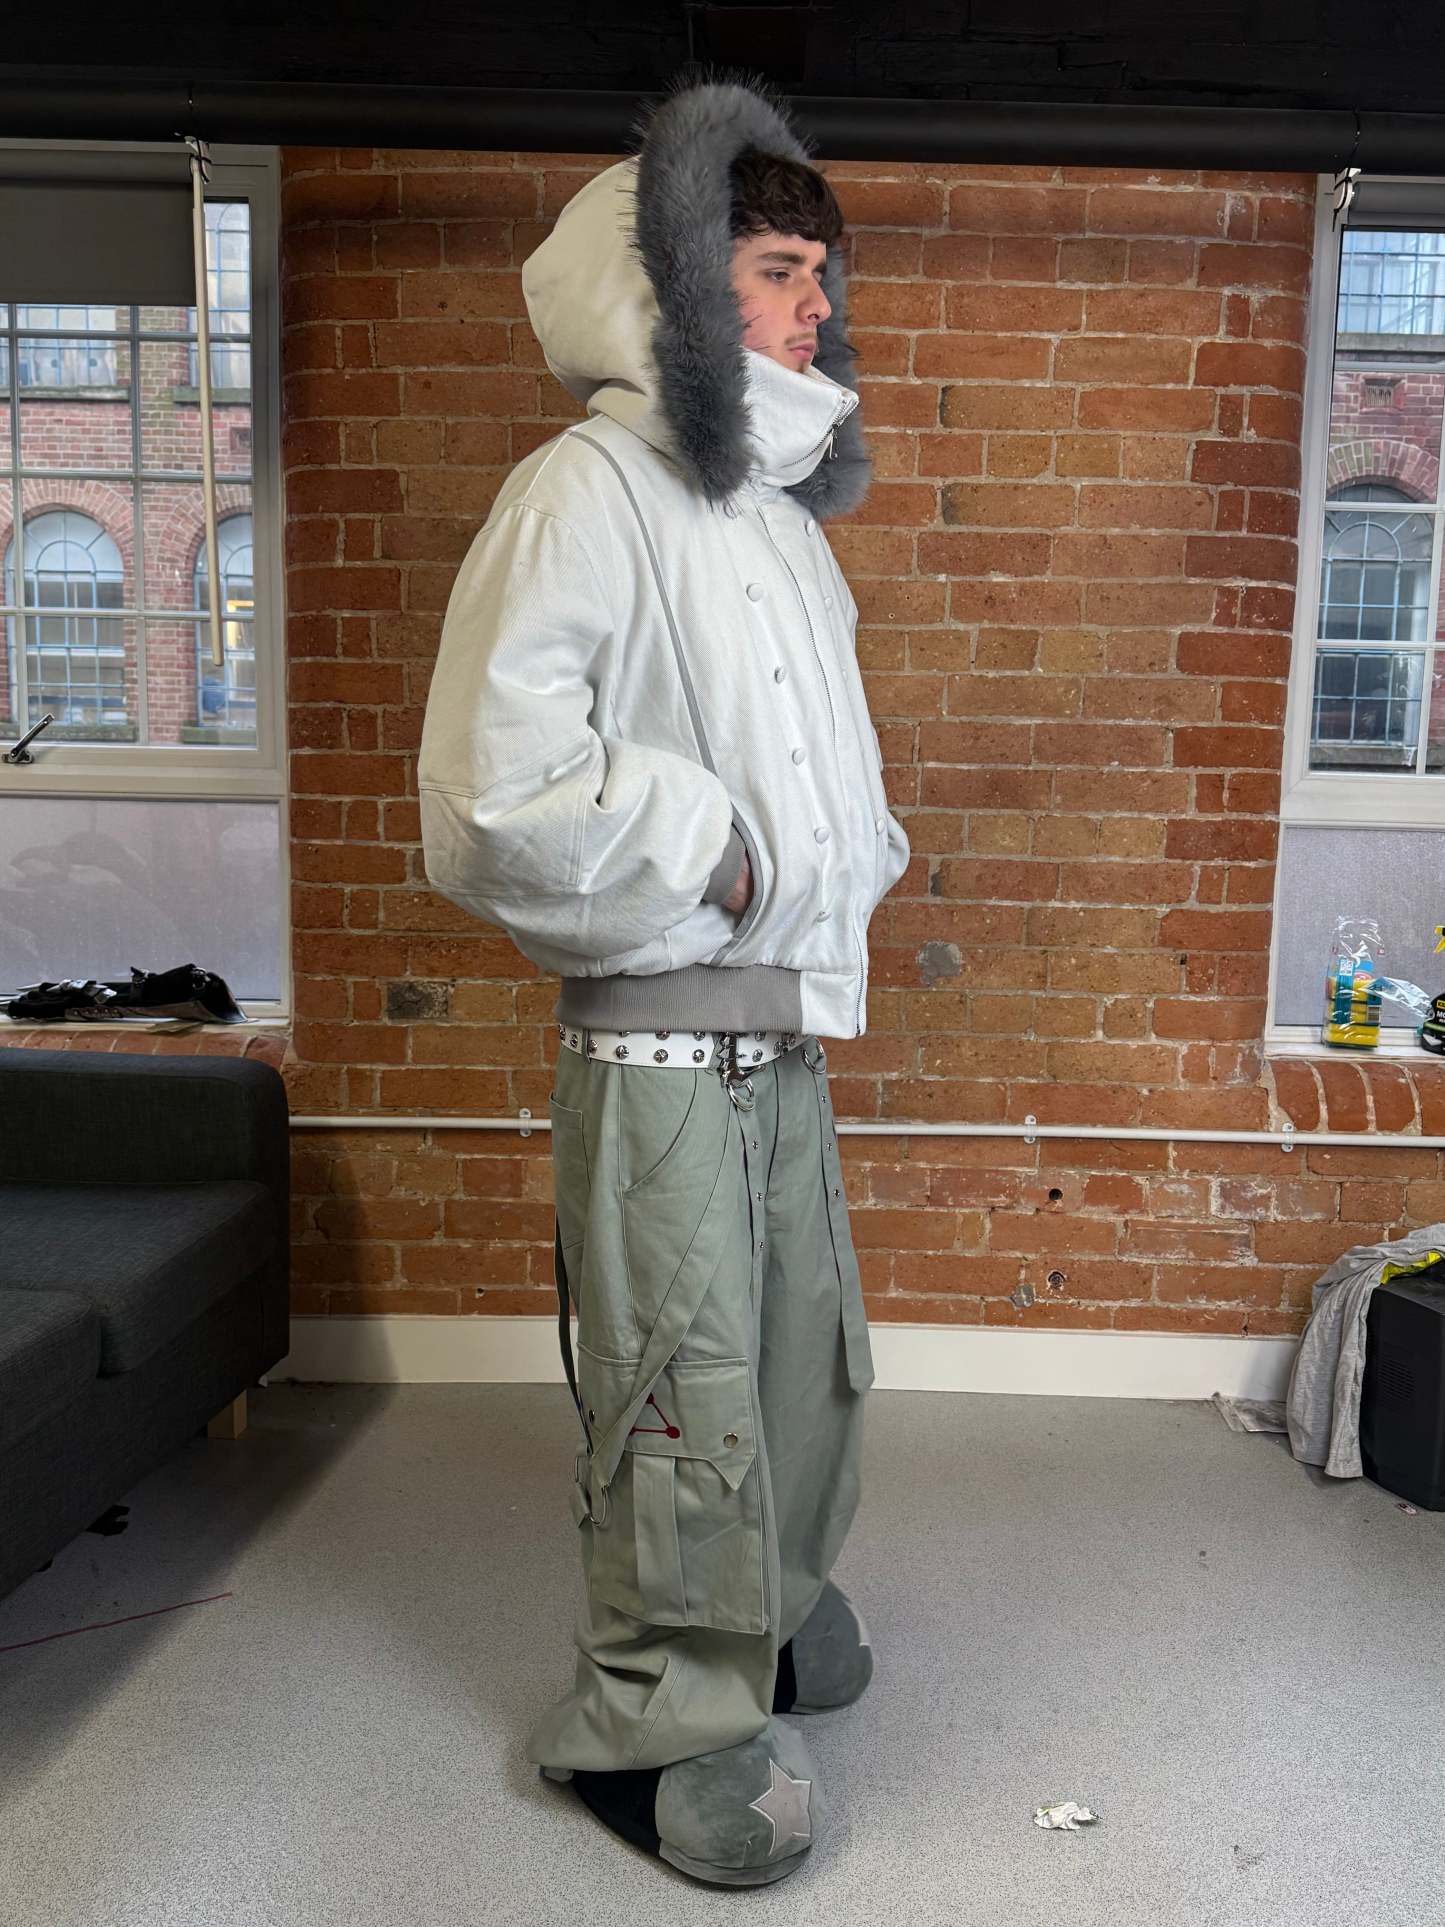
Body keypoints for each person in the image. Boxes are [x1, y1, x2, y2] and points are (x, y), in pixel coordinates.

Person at [417, 72, 910, 1887]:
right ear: (679, 291)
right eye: (779, 272)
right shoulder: (582, 493)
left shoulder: (772, 517)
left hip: (781, 1034)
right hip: (658, 1048)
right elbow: (487, 795)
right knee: (679, 1396)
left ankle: (758, 1609)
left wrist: (847, 858)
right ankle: (648, 1722)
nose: (813, 310)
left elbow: (820, 762)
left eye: (817, 277)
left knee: (801, 1368)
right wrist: (720, 853)